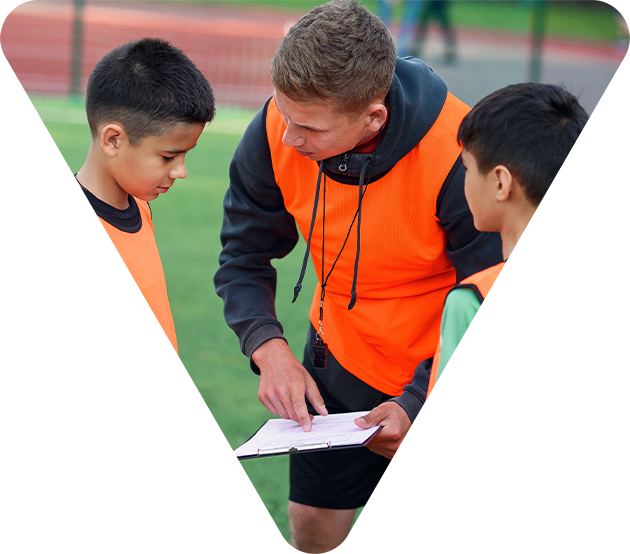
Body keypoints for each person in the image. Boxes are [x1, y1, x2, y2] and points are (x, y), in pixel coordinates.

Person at [214, 1, 502, 552]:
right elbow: (243, 256)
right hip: (341, 355)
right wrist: (268, 348)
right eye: (283, 115)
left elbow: (493, 308)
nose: (288, 139)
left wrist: (416, 402)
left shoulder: (460, 156)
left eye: (309, 128)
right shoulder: (278, 127)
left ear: (373, 117)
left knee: (463, 538)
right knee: (313, 525)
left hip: (448, 366)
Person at [0, 38, 215, 553]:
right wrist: (17, 470)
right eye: (169, 155)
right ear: (113, 139)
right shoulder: (71, 247)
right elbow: (28, 370)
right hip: (89, 499)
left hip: (129, 479)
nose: (180, 171)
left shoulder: (137, 209)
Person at [405, 83, 606, 554]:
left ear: (500, 182)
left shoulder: (479, 301)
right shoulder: (587, 293)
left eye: (465, 170)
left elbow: (467, 457)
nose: (462, 183)